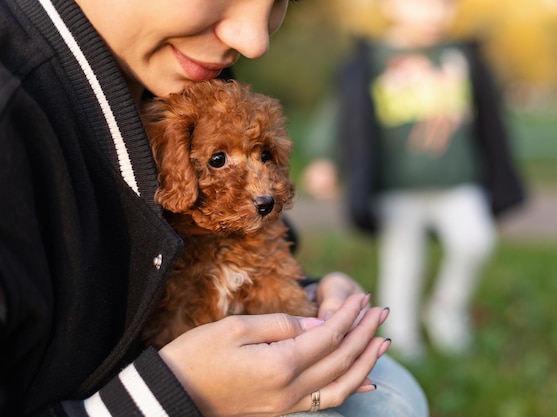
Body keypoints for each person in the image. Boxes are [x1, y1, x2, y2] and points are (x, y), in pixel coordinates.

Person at [0, 0, 429, 416]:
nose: (254, 39)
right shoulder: (14, 115)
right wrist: (177, 396)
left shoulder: (189, 68)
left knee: (392, 398)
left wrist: (310, 297)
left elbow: (251, 233)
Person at [303, 0, 525, 360]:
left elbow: (489, 110)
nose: (436, 13)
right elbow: (340, 114)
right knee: (403, 261)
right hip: (397, 187)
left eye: (446, 5)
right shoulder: (369, 59)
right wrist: (325, 158)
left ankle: (446, 310)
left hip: (458, 181)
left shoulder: (460, 56)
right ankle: (401, 334)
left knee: (476, 240)